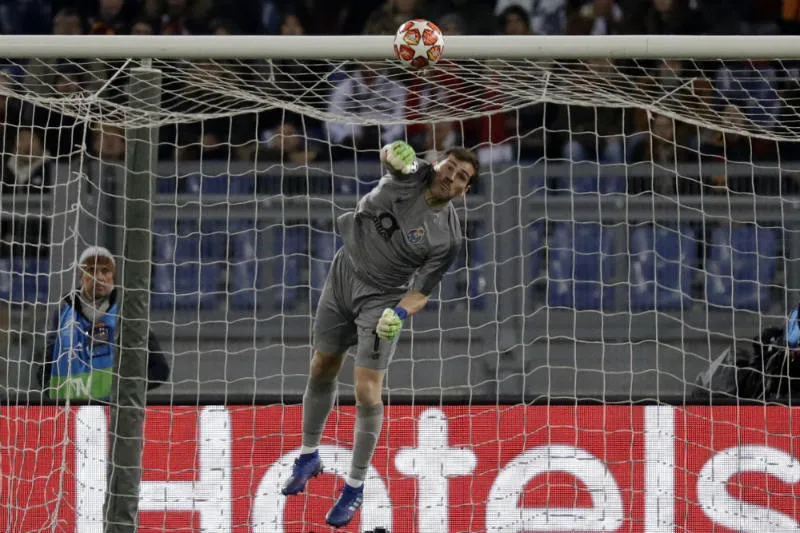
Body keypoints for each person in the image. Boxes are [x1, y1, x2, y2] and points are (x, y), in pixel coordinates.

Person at [280, 141, 478, 527]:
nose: (451, 176)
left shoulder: (448, 238)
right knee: (321, 365)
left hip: (382, 299)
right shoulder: (414, 172)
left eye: (462, 177)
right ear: (438, 164)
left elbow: (422, 291)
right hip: (343, 273)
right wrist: (390, 149)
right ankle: (308, 455)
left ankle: (354, 486)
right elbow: (390, 156)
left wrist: (400, 313)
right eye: (450, 167)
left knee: (366, 388)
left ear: (463, 190)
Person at [38, 246, 169, 400]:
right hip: (69, 412)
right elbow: (44, 371)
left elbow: (159, 369)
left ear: (112, 276)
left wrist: (127, 389)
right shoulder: (63, 315)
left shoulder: (129, 313)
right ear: (81, 276)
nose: (98, 277)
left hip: (116, 412)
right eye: (91, 270)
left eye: (105, 271)